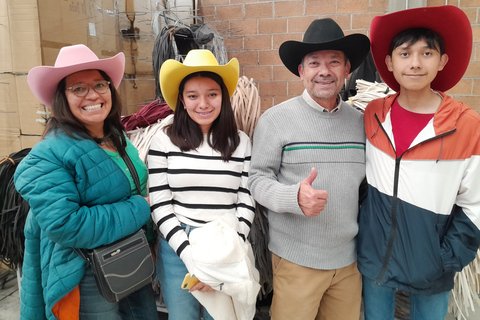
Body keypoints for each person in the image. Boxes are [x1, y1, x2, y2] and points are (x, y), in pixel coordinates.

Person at [14, 44, 158, 320]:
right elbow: (66, 224)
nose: (92, 95)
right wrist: (141, 207)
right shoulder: (48, 154)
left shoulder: (116, 136)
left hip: (131, 257)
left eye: (100, 85)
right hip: (86, 273)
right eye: (78, 88)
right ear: (62, 98)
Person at [357, 5, 480, 320]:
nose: (414, 63)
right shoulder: (374, 115)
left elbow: (476, 205)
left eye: (426, 54)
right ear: (389, 62)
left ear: (442, 62)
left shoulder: (466, 126)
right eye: (405, 53)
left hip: (432, 267)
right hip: (376, 261)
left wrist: (445, 258)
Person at [248, 18, 370, 320]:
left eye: (334, 62)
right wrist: (294, 197)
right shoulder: (275, 120)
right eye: (314, 63)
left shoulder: (360, 124)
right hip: (296, 261)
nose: (324, 71)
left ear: (347, 69)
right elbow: (257, 179)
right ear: (301, 71)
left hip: (348, 264)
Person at [148, 49, 259, 320]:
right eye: (192, 95)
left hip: (226, 243)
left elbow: (246, 197)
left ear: (223, 97)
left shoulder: (241, 142)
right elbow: (160, 203)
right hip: (178, 246)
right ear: (182, 101)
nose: (203, 103)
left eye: (212, 94)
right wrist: (191, 257)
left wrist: (233, 246)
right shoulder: (163, 141)